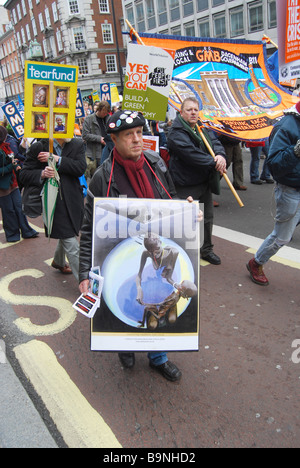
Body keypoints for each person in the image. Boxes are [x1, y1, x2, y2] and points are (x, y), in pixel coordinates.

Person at [79, 110, 201, 382]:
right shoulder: (102, 177)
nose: (137, 140)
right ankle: (125, 347)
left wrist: (189, 211)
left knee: (159, 301)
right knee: (129, 304)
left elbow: (173, 202)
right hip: (122, 259)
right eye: (128, 135)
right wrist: (84, 274)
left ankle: (159, 358)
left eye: (139, 133)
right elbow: (89, 231)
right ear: (113, 139)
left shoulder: (156, 164)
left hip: (155, 256)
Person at [167, 97, 227, 265]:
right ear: (181, 112)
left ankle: (206, 250)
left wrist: (221, 156)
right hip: (185, 183)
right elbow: (191, 154)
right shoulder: (175, 132)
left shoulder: (200, 126)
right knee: (186, 220)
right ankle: (182, 253)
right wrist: (214, 162)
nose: (193, 112)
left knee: (207, 218)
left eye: (195, 109)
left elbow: (215, 142)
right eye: (189, 110)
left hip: (203, 181)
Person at [247, 101, 300, 286]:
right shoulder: (285, 125)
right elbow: (275, 165)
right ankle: (257, 262)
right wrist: (296, 151)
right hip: (290, 190)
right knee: (282, 237)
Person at [19, 137, 87, 280]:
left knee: (71, 232)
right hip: (52, 201)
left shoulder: (77, 143)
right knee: (70, 240)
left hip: (74, 198)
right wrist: (42, 174)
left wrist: (58, 159)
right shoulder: (38, 146)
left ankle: (59, 261)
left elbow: (80, 168)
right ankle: (84, 282)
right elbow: (24, 174)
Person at [0, 126, 38, 242]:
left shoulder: (6, 146)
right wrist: (11, 166)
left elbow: (13, 157)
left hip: (12, 182)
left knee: (19, 207)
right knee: (8, 211)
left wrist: (15, 164)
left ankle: (26, 230)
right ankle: (12, 234)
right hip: (2, 186)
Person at [81, 100, 111, 179]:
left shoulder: (109, 118)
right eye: (104, 112)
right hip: (94, 153)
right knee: (96, 176)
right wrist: (99, 139)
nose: (105, 114)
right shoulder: (89, 119)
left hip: (107, 151)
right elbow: (85, 135)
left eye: (106, 113)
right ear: (99, 109)